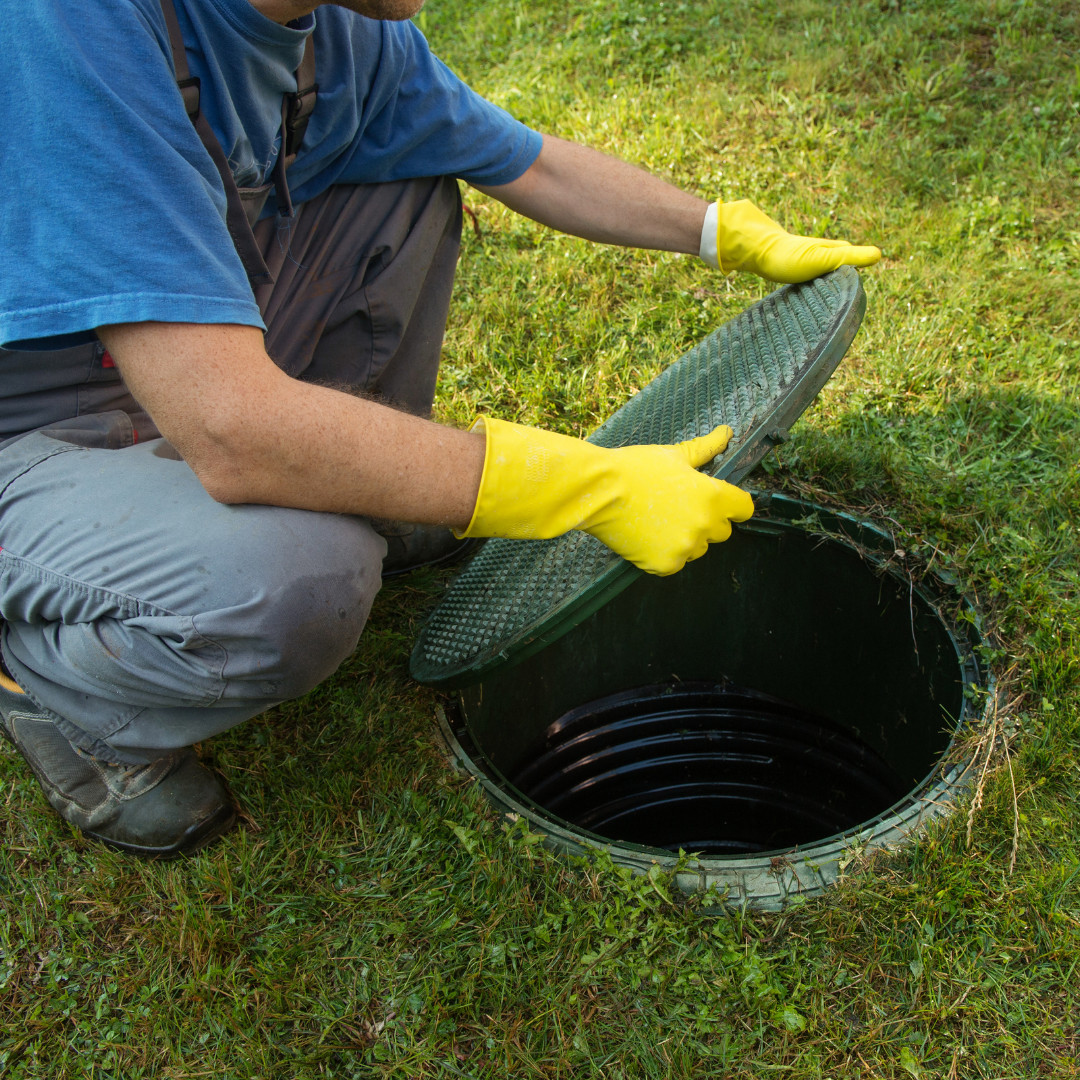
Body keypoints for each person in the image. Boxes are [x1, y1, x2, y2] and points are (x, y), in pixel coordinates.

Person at [0, 0, 880, 858]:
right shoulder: (66, 24)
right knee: (297, 582)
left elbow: (526, 164)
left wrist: (720, 231)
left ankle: (353, 496)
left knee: (406, 175)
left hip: (180, 356)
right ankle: (50, 689)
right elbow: (230, 429)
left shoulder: (337, 32)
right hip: (35, 427)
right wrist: (574, 483)